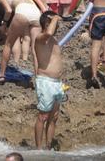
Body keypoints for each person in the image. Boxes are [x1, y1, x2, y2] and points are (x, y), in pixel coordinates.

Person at [33, 12, 65, 149]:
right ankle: (39, 148)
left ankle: (48, 146)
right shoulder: (40, 38)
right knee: (43, 116)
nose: (57, 25)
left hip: (57, 83)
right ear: (47, 23)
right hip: (45, 81)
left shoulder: (54, 41)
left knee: (54, 117)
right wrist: (56, 17)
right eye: (54, 22)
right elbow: (49, 33)